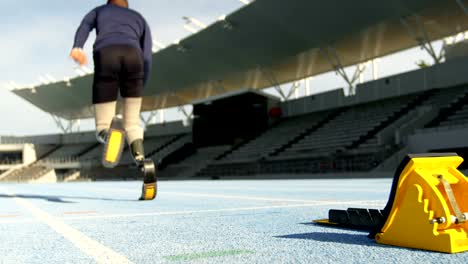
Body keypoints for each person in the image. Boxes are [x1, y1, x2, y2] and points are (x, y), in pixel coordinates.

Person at [70, 0, 152, 164]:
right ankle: (142, 161)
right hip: (134, 58)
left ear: (109, 3)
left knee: (103, 124)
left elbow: (85, 25)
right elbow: (147, 54)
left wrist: (77, 46)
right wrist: (141, 85)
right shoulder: (139, 18)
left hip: (107, 53)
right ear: (126, 6)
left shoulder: (100, 11)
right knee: (132, 124)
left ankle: (108, 134)